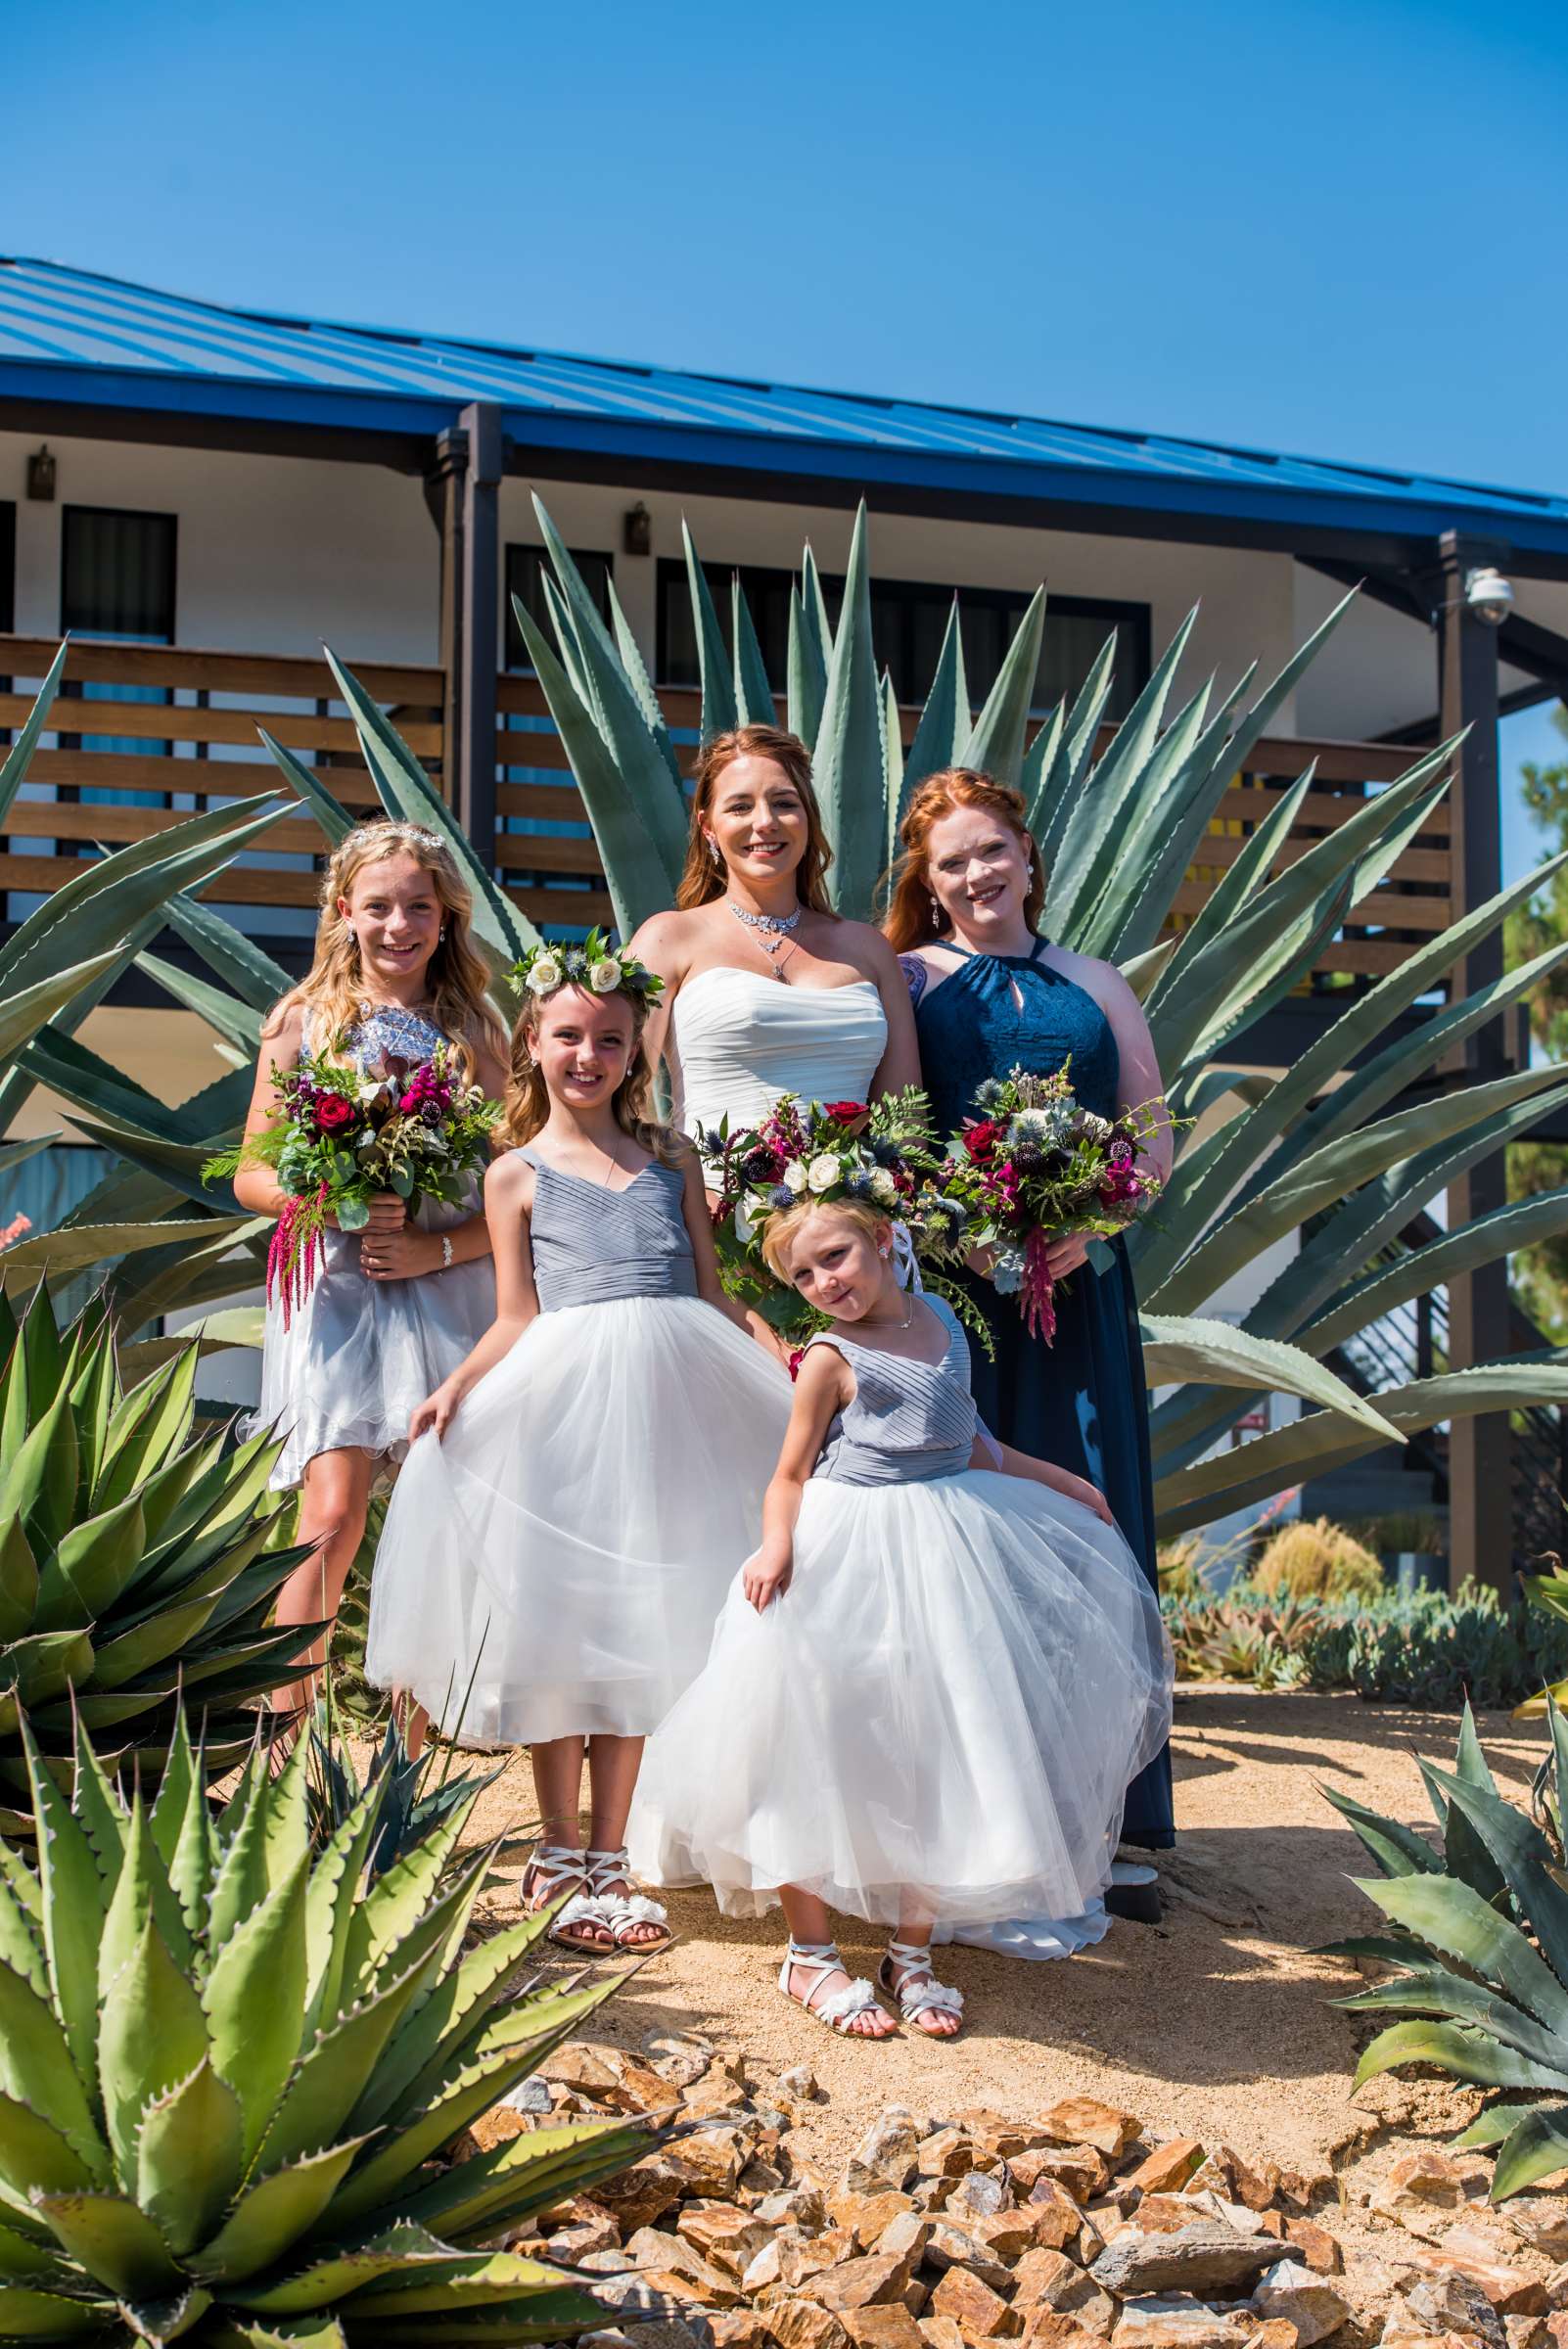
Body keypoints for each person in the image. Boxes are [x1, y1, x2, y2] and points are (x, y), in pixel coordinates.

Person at [631, 1195, 1171, 2039]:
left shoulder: (944, 1321)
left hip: (945, 1542)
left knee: (940, 1740)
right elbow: (788, 1474)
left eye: (836, 1257)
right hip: (849, 1545)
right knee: (815, 1739)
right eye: (802, 1276)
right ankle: (808, 1955)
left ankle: (909, 1949)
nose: (823, 1283)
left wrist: (1063, 1483)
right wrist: (777, 1546)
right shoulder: (828, 1359)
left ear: (884, 1241)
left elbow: (975, 1444)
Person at [365, 937, 793, 1955]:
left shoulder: (672, 1161)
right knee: (561, 1626)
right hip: (560, 1406)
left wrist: (781, 1367)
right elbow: (516, 1315)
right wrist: (457, 1389)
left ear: (636, 1053)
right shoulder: (514, 1175)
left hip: (667, 1401)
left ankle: (613, 1854)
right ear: (534, 1043)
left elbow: (711, 1290)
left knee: (645, 1618)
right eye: (569, 1037)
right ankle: (558, 1851)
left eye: (610, 1039)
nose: (588, 1056)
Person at [887, 765, 1177, 1941]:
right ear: (928, 880)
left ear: (1028, 854)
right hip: (967, 1305)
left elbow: (1150, 1129)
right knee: (977, 1534)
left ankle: (1103, 1822)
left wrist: (1090, 1224)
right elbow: (900, 1129)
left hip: (1084, 1296)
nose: (975, 876)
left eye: (991, 851)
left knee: (1090, 1523)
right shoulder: (908, 982)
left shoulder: (1096, 981)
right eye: (951, 862)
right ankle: (981, 1823)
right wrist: (972, 1230)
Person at [235, 818, 507, 1727]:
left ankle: (407, 1760)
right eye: (379, 906)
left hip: (444, 1287)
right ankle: (281, 1750)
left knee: (441, 1523)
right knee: (332, 1514)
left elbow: (520, 1186)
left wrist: (440, 1246)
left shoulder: (475, 1029)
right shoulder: (302, 1024)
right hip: (339, 1294)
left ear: (446, 916)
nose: (399, 925)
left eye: (418, 907)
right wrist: (334, 1202)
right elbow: (250, 1174)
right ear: (344, 911)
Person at [628, 722, 920, 1161]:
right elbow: (621, 1091)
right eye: (740, 807)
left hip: (851, 1218)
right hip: (712, 1215)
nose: (764, 822)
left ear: (807, 818)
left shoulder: (869, 949)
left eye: (784, 803)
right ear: (708, 827)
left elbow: (906, 1125)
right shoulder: (669, 938)